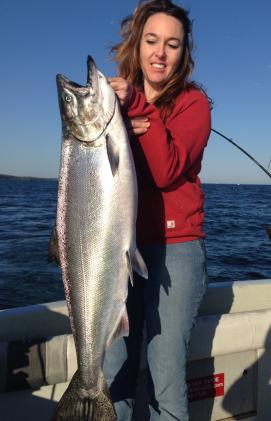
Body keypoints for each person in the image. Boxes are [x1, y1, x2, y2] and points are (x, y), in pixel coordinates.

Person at [104, 0, 211, 420]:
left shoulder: (193, 104)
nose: (159, 53)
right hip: (116, 248)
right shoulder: (115, 102)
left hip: (176, 249)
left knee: (166, 380)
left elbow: (167, 170)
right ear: (137, 43)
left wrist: (139, 109)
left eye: (172, 44)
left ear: (184, 52)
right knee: (114, 374)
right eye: (151, 40)